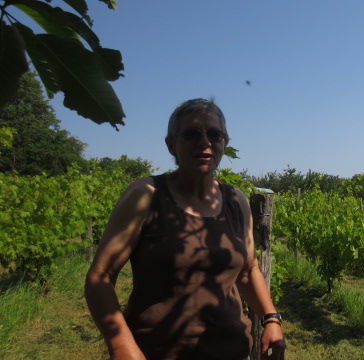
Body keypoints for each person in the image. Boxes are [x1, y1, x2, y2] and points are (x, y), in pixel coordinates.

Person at [85, 98, 285, 360]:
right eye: (192, 134)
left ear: (225, 141)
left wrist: (271, 319)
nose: (205, 142)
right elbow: (100, 276)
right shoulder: (147, 196)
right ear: (171, 144)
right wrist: (122, 346)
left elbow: (248, 270)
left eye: (215, 134)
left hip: (232, 349)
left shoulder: (237, 201)